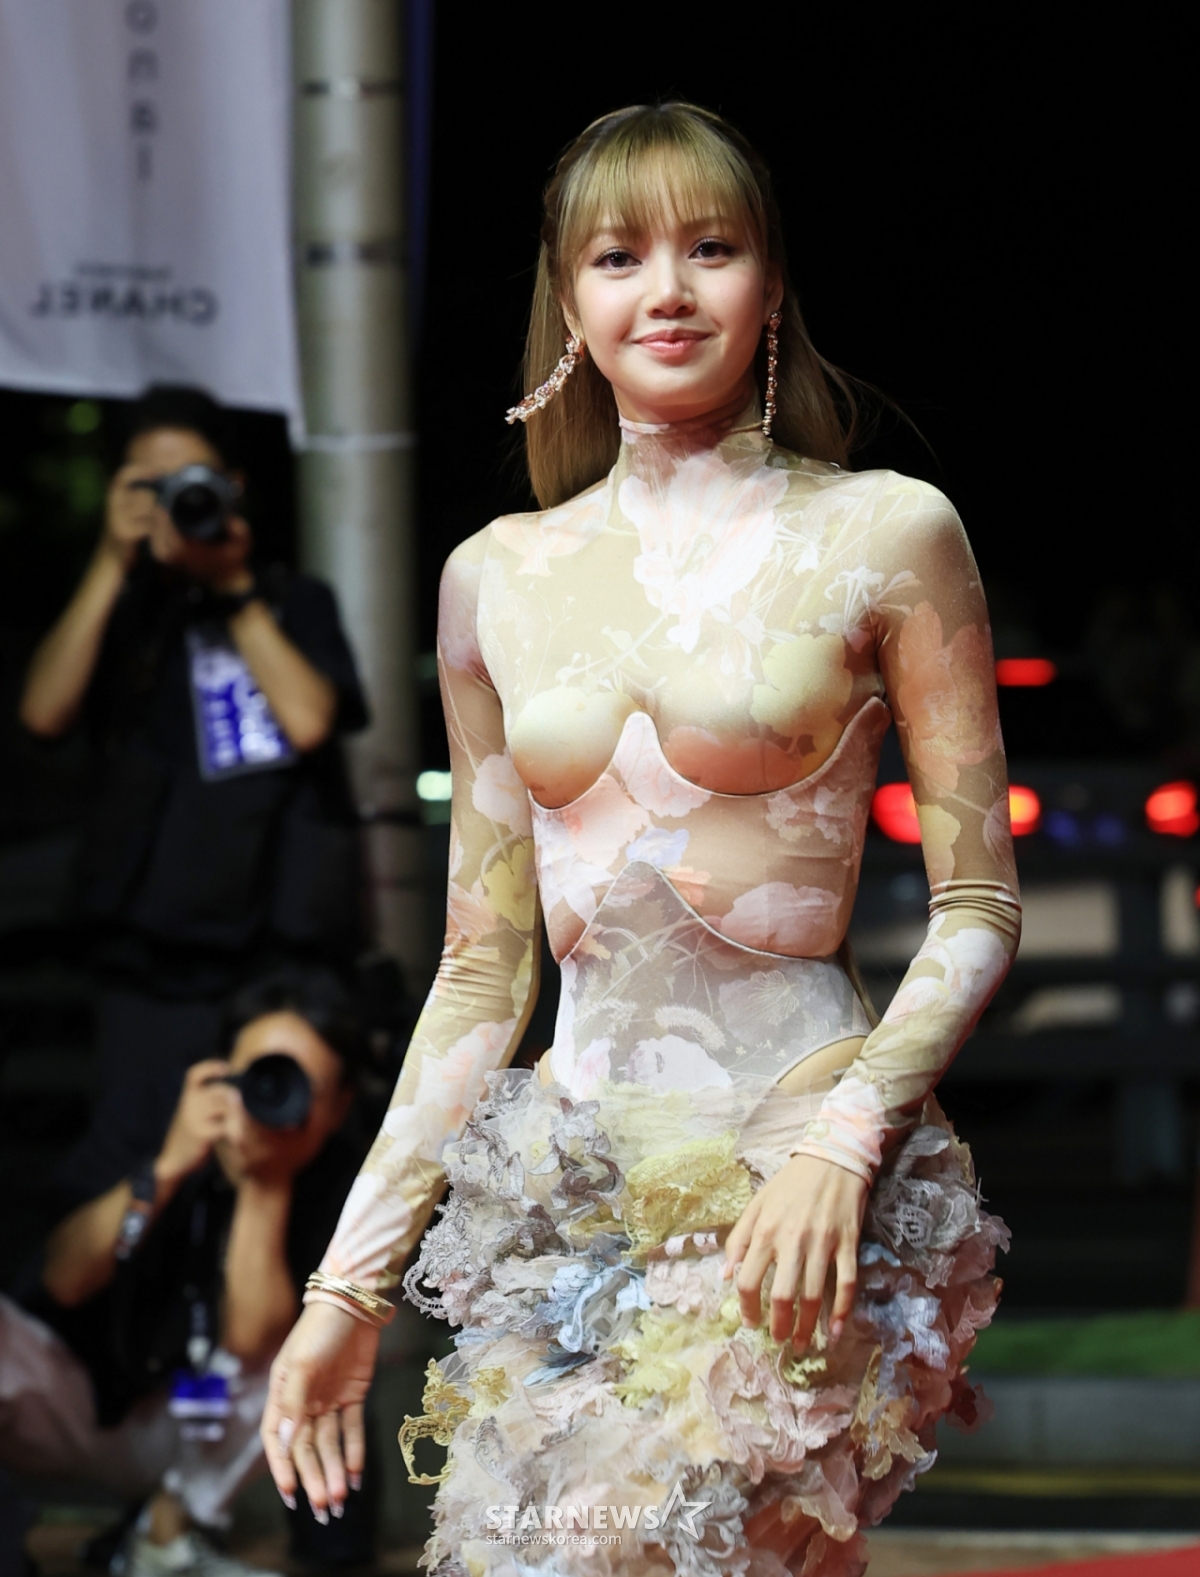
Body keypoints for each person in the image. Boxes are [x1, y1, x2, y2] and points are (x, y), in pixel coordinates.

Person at [261, 103, 1023, 1575]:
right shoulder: (494, 576)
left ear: (771, 283)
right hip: (569, 1199)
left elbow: (980, 902)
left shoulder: (885, 532)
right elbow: (482, 975)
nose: (665, 290)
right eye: (619, 257)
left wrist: (847, 1143)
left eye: (709, 248)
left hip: (797, 1170)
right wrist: (344, 1293)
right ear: (570, 301)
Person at [18, 386, 369, 1209]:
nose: (175, 500)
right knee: (138, 1166)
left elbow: (311, 720)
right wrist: (110, 560)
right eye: (150, 484)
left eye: (193, 481)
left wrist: (232, 586)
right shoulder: (124, 612)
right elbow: (42, 714)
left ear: (234, 487)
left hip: (275, 961)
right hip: (148, 963)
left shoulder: (288, 599)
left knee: (274, 1167)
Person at [0, 972, 367, 1577]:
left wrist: (266, 1181)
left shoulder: (345, 1181)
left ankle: (162, 1536)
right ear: (221, 1072)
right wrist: (168, 1166)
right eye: (260, 1073)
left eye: (303, 1084)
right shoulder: (153, 1111)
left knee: (321, 1347)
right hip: (65, 1400)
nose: (274, 1094)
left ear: (339, 1106)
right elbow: (63, 1280)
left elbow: (254, 1345)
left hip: (198, 1436)